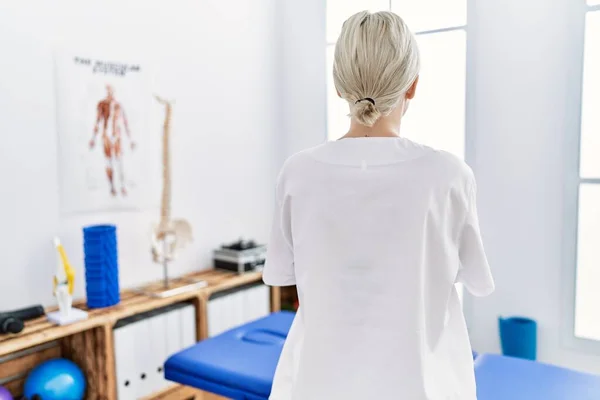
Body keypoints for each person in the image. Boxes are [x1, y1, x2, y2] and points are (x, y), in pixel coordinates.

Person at [262, 10, 494, 400]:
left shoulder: (297, 173)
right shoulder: (450, 176)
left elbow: (282, 272)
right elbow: (475, 278)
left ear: (338, 87)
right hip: (423, 387)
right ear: (413, 86)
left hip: (318, 386)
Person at [90, 84, 135, 197]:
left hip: (116, 135)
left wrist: (130, 140)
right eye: (108, 91)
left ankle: (122, 186)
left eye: (112, 91)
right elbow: (97, 121)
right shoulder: (102, 104)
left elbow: (125, 122)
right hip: (106, 136)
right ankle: (112, 187)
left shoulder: (118, 105)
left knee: (119, 161)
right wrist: (93, 138)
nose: (110, 93)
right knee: (109, 161)